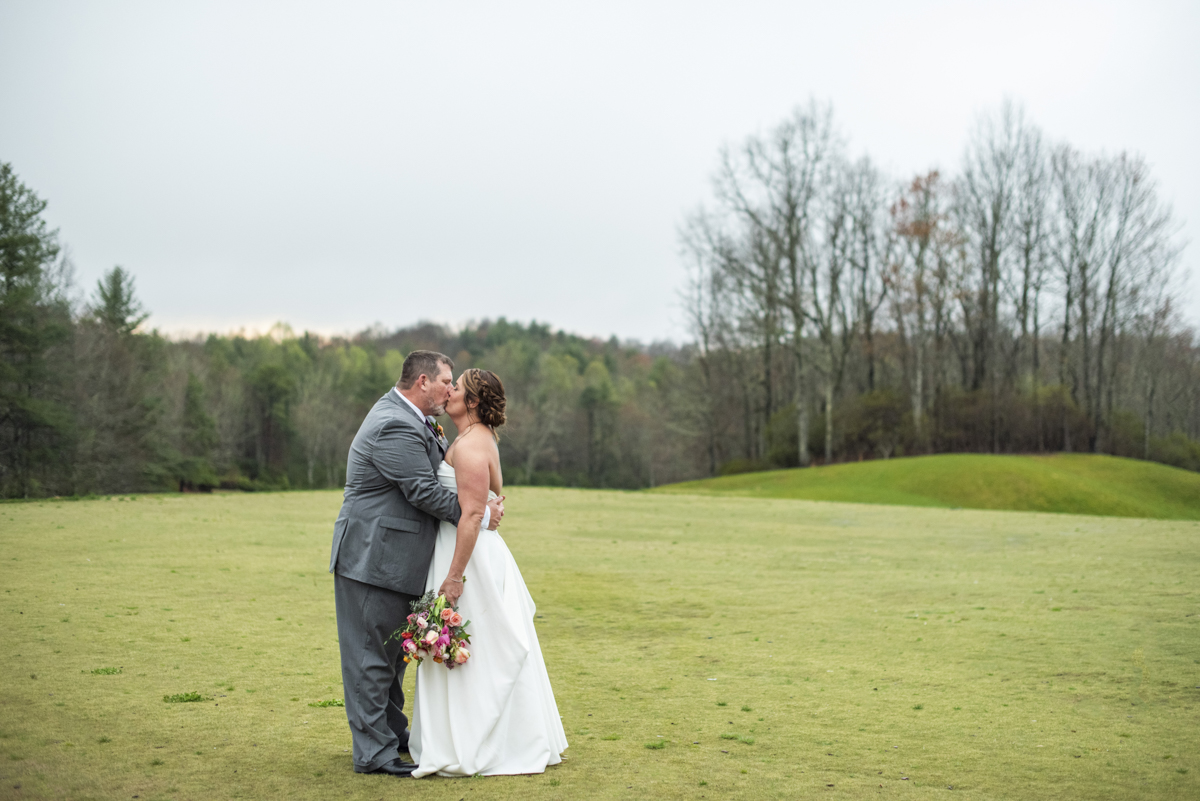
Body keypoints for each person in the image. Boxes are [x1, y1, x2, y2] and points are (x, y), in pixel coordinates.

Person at [329, 351, 505, 777]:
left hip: (395, 557)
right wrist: (475, 514)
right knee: (371, 657)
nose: (451, 389)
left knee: (391, 659)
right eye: (447, 381)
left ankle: (391, 735)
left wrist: (476, 508)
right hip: (373, 557)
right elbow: (422, 491)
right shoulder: (394, 423)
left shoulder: (415, 418)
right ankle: (374, 753)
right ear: (423, 381)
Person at [409, 368, 568, 777]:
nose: (450, 391)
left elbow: (474, 512)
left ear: (473, 402)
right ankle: (455, 734)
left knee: (479, 650)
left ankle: (481, 741)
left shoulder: (473, 445)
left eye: (457, 388)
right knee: (478, 647)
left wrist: (455, 576)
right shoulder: (465, 438)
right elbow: (487, 502)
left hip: (471, 560)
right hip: (468, 549)